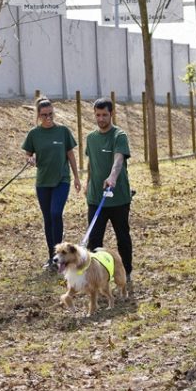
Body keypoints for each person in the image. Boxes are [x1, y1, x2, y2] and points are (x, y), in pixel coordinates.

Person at [22, 97, 81, 271]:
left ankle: (61, 256)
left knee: (56, 213)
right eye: (44, 115)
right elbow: (27, 154)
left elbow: (70, 155)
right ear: (38, 116)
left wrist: (76, 177)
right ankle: (52, 257)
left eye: (50, 114)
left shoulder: (63, 131)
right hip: (43, 182)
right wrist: (30, 159)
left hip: (61, 180)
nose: (48, 117)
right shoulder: (34, 134)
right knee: (48, 219)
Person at [85, 97, 133, 285]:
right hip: (96, 198)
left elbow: (118, 160)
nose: (101, 118)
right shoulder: (90, 138)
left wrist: (113, 177)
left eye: (105, 115)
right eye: (98, 115)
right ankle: (95, 276)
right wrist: (88, 185)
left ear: (111, 114)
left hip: (118, 198)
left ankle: (126, 271)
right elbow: (91, 164)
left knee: (122, 236)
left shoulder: (119, 136)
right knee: (94, 240)